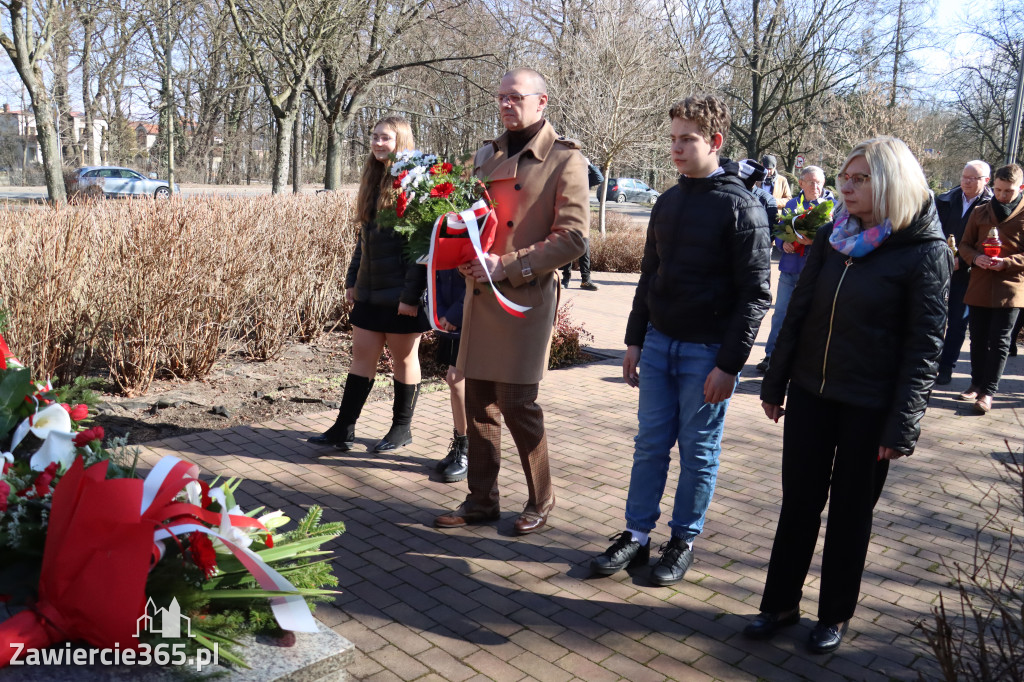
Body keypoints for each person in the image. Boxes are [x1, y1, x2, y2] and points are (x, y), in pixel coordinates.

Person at [745, 137, 951, 654]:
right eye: (846, 177)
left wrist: (902, 424)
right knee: (799, 505)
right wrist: (776, 381)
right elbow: (799, 312)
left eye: (861, 179)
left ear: (892, 183)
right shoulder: (831, 237)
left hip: (870, 406)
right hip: (810, 392)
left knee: (850, 515)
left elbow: (924, 346)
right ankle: (779, 605)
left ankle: (834, 613)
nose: (848, 187)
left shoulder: (924, 251)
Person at [589, 95, 771, 586]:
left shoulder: (742, 207)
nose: (676, 147)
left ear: (714, 141)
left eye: (687, 139)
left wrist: (729, 365)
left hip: (707, 354)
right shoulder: (667, 201)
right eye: (672, 138)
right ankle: (636, 534)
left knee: (698, 453)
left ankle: (683, 540)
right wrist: (634, 340)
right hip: (659, 344)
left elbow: (755, 296)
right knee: (649, 446)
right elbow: (650, 275)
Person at [433, 68, 588, 535]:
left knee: (518, 403)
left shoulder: (565, 159)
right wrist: (463, 256)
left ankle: (542, 497)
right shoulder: (486, 154)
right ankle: (481, 501)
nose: (506, 104)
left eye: (516, 97)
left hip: (525, 296)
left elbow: (574, 239)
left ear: (542, 102)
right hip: (481, 294)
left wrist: (507, 265)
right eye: (501, 96)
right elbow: (471, 221)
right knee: (479, 404)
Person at [308, 116, 429, 454]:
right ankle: (343, 428)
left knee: (404, 361)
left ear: (401, 141)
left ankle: (401, 429)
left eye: (385, 138)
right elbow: (364, 240)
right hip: (370, 290)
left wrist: (410, 297)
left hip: (402, 295)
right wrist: (353, 280)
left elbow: (421, 248)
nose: (377, 142)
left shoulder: (415, 184)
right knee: (361, 358)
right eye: (374, 136)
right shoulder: (374, 179)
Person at [955, 163, 1024, 413]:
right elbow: (964, 245)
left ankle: (988, 392)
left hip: (1010, 287)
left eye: (1008, 191)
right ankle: (975, 384)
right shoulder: (980, 211)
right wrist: (975, 258)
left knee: (1000, 341)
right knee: (977, 338)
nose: (1002, 195)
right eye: (998, 190)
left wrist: (1007, 262)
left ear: (1021, 188)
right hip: (980, 284)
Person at [756, 166, 835, 373]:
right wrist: (784, 244)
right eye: (811, 182)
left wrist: (814, 242)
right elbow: (780, 231)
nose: (816, 186)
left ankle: (801, 361)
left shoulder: (831, 207)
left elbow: (836, 240)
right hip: (790, 269)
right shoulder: (792, 204)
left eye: (819, 182)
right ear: (801, 183)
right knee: (780, 313)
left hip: (815, 273)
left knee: (810, 317)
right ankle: (771, 356)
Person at [935, 161, 993, 385]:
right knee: (933, 318)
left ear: (986, 181)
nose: (966, 182)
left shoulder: (991, 206)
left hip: (968, 272)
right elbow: (933, 229)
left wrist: (965, 260)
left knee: (958, 322)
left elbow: (991, 240)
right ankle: (928, 363)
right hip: (939, 267)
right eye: (964, 176)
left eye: (973, 178)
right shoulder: (945, 200)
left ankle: (946, 367)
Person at [432, 268, 469, 481]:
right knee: (455, 380)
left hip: (473, 315)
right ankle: (461, 445)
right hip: (452, 314)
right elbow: (436, 272)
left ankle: (467, 449)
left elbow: (478, 277)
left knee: (457, 380)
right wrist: (441, 311)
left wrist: (455, 313)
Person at [561, 158, 604, 291]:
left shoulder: (585, 180)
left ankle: (586, 280)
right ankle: (565, 279)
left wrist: (589, 164)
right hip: (567, 217)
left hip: (581, 219)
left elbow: (599, 178)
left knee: (584, 249)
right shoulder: (563, 179)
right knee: (568, 248)